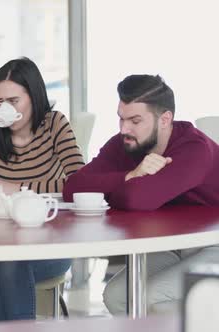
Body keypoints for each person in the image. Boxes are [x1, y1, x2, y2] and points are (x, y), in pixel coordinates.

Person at [63, 74, 219, 314]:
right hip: (172, 245)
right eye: (121, 119)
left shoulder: (194, 149)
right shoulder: (125, 143)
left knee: (150, 296)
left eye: (135, 120)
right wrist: (130, 175)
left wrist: (110, 191)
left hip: (212, 245)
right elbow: (72, 187)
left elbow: (138, 200)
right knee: (116, 296)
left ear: (165, 119)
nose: (125, 128)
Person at [0, 57, 83, 321]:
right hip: (1, 244)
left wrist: (21, 188)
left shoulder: (54, 124)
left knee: (2, 269)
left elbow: (80, 182)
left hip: (52, 246)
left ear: (34, 97)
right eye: (0, 102)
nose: (6, 109)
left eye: (14, 101)